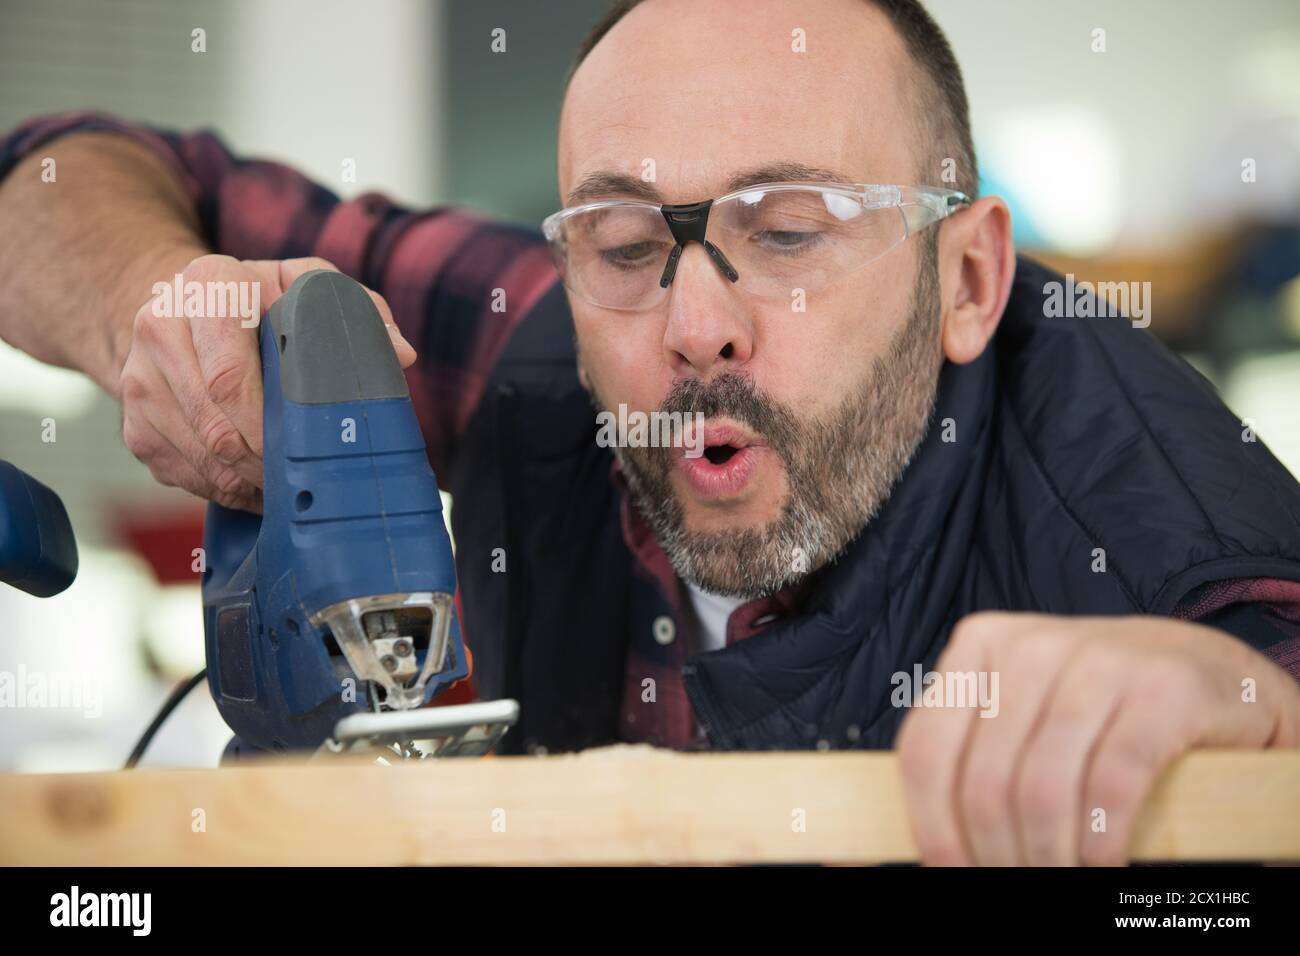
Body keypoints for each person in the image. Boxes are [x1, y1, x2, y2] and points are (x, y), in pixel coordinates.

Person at [2, 0, 1299, 866]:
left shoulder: (1142, 520)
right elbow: (51, 172)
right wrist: (146, 303)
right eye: (622, 242)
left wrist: (1249, 701)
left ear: (966, 281)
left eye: (787, 232)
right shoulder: (544, 354)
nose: (692, 324)